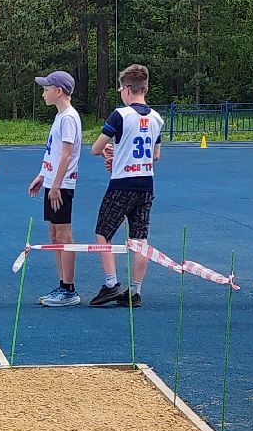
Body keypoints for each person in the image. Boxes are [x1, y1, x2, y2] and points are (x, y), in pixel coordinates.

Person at [89, 64, 163, 309]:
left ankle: (111, 283)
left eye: (121, 87)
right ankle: (136, 290)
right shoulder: (156, 118)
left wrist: (111, 153)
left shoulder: (120, 115)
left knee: (103, 232)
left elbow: (96, 148)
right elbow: (155, 154)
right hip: (146, 182)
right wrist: (121, 153)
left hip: (122, 184)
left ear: (128, 89)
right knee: (140, 239)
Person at [29, 71, 83, 307]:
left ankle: (69, 289)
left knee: (63, 234)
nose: (44, 94)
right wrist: (43, 175)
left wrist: (57, 185)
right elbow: (53, 151)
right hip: (53, 181)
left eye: (46, 89)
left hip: (62, 184)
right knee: (54, 233)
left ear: (58, 91)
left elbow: (66, 154)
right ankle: (62, 284)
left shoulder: (69, 117)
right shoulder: (60, 117)